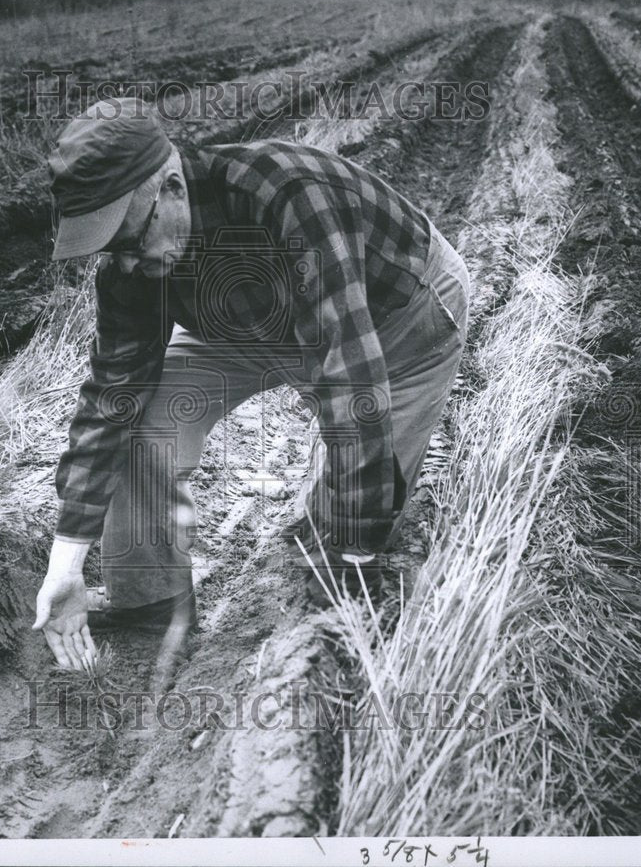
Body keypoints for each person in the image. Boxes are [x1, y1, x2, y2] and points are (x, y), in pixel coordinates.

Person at [32, 98, 469, 673]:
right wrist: (65, 565)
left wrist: (354, 554)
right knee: (142, 428)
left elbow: (350, 382)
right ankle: (152, 602)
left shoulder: (288, 195)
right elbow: (111, 399)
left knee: (337, 537)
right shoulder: (135, 262)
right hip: (244, 323)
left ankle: (331, 589)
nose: (127, 264)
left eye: (129, 240)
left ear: (170, 187)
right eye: (109, 249)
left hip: (396, 317)